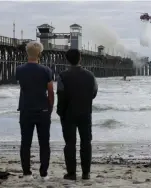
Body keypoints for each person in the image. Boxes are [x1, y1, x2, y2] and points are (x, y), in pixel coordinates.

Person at [57, 49, 98, 180]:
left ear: (67, 60)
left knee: (70, 144)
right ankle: (86, 173)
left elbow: (61, 95)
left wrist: (60, 112)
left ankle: (71, 173)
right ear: (80, 58)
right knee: (86, 142)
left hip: (68, 114)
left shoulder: (62, 76)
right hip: (85, 112)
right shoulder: (90, 75)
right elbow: (94, 93)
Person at [16, 41, 54, 180]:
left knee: (25, 143)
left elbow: (23, 86)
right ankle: (43, 174)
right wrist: (49, 109)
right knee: (44, 143)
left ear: (28, 53)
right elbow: (50, 92)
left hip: (26, 109)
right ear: (39, 53)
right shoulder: (46, 71)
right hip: (42, 110)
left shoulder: (19, 70)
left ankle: (26, 173)